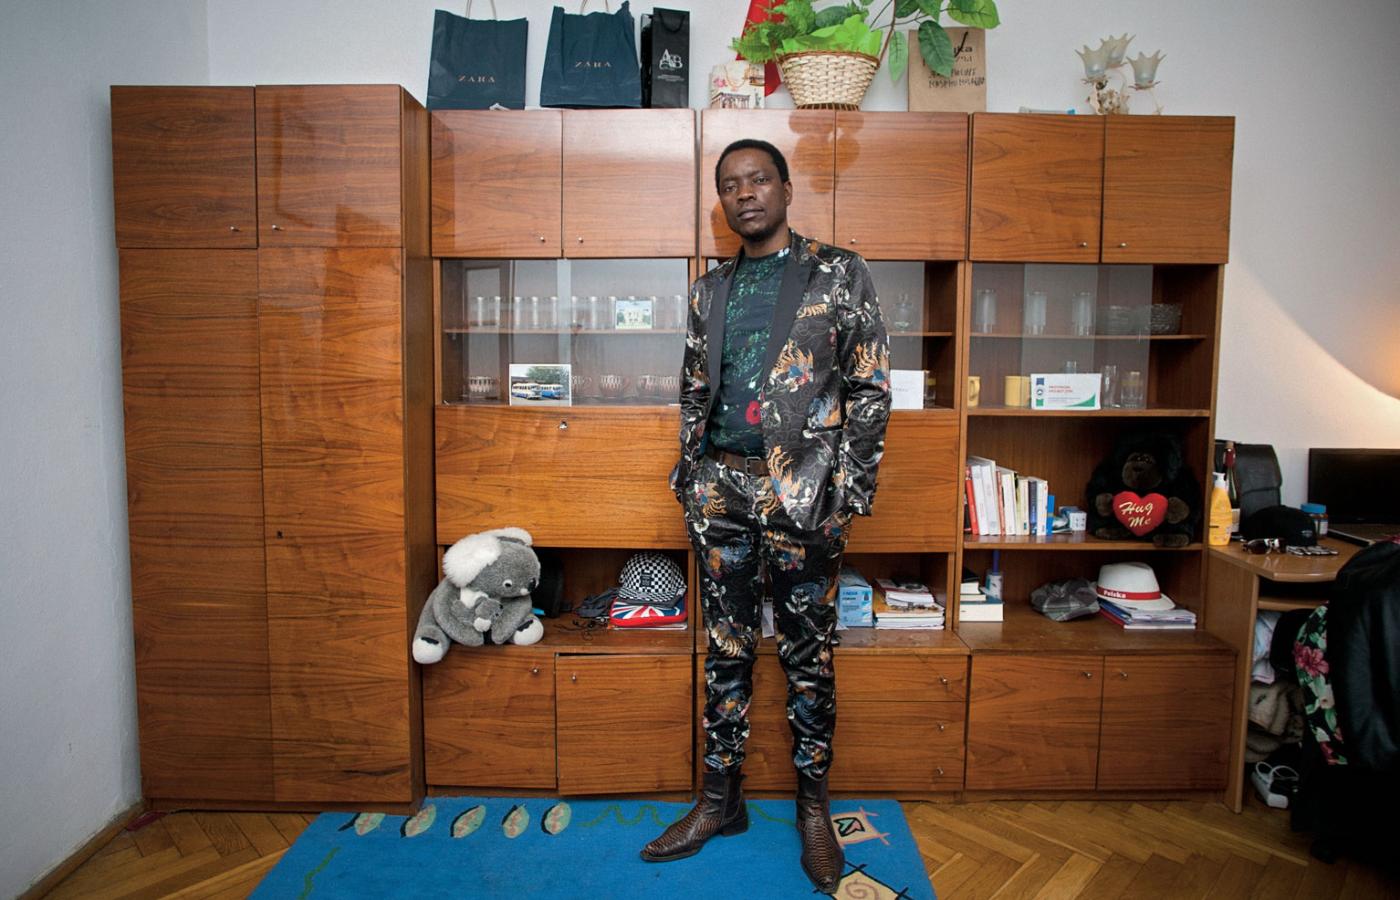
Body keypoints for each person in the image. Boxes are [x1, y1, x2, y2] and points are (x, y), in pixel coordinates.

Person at [640, 139, 891, 891]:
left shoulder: (838, 272)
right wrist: (691, 474)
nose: (744, 193)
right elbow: (694, 388)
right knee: (726, 649)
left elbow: (870, 389)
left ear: (784, 188)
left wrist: (846, 491)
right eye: (730, 185)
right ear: (721, 201)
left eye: (757, 180)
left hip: (804, 498)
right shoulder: (709, 289)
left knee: (807, 656)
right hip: (719, 492)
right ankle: (721, 802)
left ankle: (813, 811)